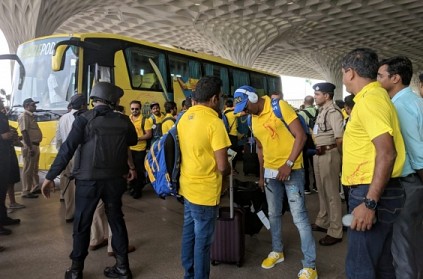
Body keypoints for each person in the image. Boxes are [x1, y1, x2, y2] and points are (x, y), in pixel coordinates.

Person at [41, 82, 138, 279]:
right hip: (114, 181)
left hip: (88, 182)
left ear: (95, 99)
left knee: (82, 224)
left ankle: (76, 270)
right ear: (112, 100)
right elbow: (133, 141)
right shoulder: (124, 120)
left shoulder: (83, 120)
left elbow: (67, 149)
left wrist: (50, 177)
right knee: (116, 221)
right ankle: (122, 268)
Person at [233, 86, 317, 279]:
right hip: (271, 174)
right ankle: (277, 251)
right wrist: (262, 176)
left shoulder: (279, 106)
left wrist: (288, 164)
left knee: (299, 217)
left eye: (246, 106)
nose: (245, 111)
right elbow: (261, 149)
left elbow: (301, 136)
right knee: (273, 214)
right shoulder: (251, 119)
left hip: (292, 170)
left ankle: (310, 266)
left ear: (254, 97)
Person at [341, 48, 406, 279]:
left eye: (343, 72)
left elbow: (387, 153)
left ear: (350, 73)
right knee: (382, 265)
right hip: (381, 190)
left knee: (360, 267)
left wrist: (369, 203)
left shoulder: (370, 101)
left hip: (370, 191)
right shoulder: (377, 97)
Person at [178, 76, 231, 279]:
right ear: (215, 98)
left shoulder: (184, 117)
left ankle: (188, 274)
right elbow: (222, 165)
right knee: (203, 242)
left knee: (189, 234)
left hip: (187, 186)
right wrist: (228, 172)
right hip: (205, 192)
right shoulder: (214, 122)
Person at [377, 56, 423, 279]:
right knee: (414, 238)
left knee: (402, 243)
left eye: (380, 76)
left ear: (395, 78)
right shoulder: (415, 100)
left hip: (408, 182)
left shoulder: (399, 106)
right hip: (414, 181)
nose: (377, 80)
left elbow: (416, 152)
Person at [310, 82, 344, 246]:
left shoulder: (333, 111)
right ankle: (323, 221)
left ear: (327, 95)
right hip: (319, 154)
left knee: (331, 193)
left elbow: (339, 138)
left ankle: (335, 230)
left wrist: (341, 157)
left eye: (318, 94)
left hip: (329, 153)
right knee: (322, 191)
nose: (315, 97)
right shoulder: (322, 110)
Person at [56, 94, 87, 222]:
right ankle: (80, 213)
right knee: (79, 184)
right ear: (82, 105)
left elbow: (58, 138)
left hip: (65, 154)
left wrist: (61, 154)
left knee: (68, 184)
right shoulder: (83, 117)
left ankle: (69, 213)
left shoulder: (63, 118)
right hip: (78, 155)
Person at [0, 98, 21, 236]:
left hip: (5, 156)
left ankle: (3, 218)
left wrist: (12, 135)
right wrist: (2, 137)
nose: (2, 103)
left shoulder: (2, 116)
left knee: (2, 192)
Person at [18, 98, 43, 198]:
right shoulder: (24, 116)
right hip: (30, 146)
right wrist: (29, 147)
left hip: (35, 145)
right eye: (33, 105)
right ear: (27, 106)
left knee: (34, 168)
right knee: (28, 169)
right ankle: (26, 191)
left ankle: (35, 187)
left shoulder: (30, 116)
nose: (35, 107)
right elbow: (24, 132)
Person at [128, 100, 152, 199]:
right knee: (130, 169)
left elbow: (148, 134)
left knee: (139, 170)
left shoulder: (145, 120)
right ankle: (132, 187)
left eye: (136, 109)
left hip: (140, 150)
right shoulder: (128, 119)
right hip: (129, 149)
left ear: (140, 109)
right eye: (132, 109)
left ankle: (138, 189)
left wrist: (137, 138)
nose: (134, 111)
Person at [298, 95, 318, 194]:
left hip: (305, 141)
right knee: (316, 164)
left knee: (305, 165)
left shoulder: (301, 113)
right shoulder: (318, 111)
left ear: (304, 102)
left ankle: (306, 187)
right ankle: (317, 186)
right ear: (313, 102)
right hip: (317, 140)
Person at [222, 99, 241, 172]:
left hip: (226, 135)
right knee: (233, 153)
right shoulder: (233, 113)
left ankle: (229, 167)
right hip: (233, 135)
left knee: (228, 152)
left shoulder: (224, 112)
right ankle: (231, 168)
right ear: (232, 105)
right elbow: (243, 113)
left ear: (226, 106)